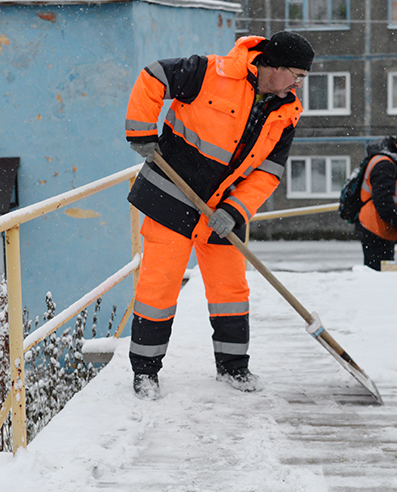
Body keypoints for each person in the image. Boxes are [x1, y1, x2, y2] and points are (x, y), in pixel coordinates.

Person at [124, 31, 315, 399]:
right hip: (172, 197)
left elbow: (268, 172)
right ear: (272, 66)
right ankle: (145, 373)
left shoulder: (287, 112)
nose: (298, 84)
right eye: (297, 74)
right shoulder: (209, 72)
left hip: (222, 211)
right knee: (157, 289)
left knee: (231, 290)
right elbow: (153, 76)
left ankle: (233, 368)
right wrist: (141, 130)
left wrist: (235, 209)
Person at [354, 129, 397, 271]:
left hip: (379, 228)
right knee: (378, 275)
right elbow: (383, 202)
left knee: (380, 274)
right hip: (375, 229)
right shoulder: (385, 164)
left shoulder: (391, 161)